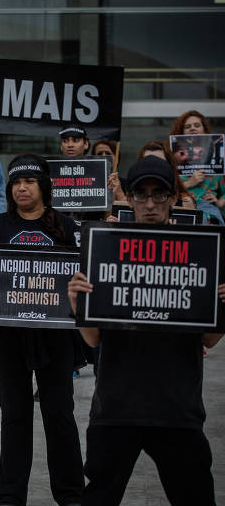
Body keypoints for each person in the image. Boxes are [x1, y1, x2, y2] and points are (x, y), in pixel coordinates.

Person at [67, 155, 222, 506]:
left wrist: (220, 306)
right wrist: (78, 305)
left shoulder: (199, 253)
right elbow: (93, 340)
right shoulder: (106, 250)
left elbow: (209, 339)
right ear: (129, 199)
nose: (150, 203)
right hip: (116, 408)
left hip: (177, 409)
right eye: (141, 194)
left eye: (159, 194)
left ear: (172, 197)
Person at [0, 154, 84, 506]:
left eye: (29, 181)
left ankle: (72, 495)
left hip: (55, 336)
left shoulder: (68, 226)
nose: (22, 188)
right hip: (7, 337)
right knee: (15, 415)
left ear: (44, 185)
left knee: (59, 413)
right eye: (16, 182)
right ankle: (11, 498)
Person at [170, 110, 225, 224]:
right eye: (187, 126)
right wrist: (189, 183)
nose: (192, 128)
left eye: (197, 125)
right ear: (182, 132)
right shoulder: (173, 158)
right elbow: (165, 190)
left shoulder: (218, 158)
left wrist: (220, 202)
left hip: (208, 211)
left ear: (204, 130)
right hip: (180, 209)